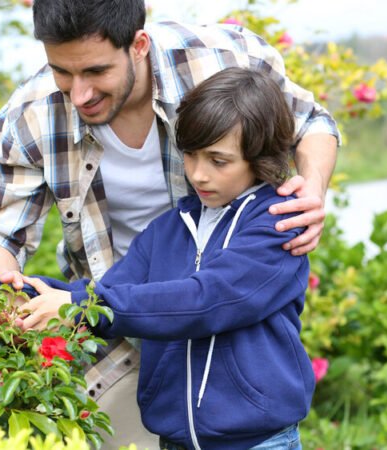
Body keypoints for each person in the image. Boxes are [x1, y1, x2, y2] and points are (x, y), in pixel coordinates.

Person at [0, 0, 338, 447]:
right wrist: (14, 292)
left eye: (96, 71)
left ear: (138, 45)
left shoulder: (271, 223)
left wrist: (312, 187)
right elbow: (5, 235)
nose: (79, 93)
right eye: (62, 72)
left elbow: (205, 299)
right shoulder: (166, 230)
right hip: (134, 337)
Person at [17, 66, 314, 449]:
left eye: (218, 160)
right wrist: (25, 293)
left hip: (259, 442)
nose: (198, 175)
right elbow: (105, 296)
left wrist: (75, 303)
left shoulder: (279, 224)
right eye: (190, 155)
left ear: (259, 157)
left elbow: (205, 300)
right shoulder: (169, 229)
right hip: (175, 442)